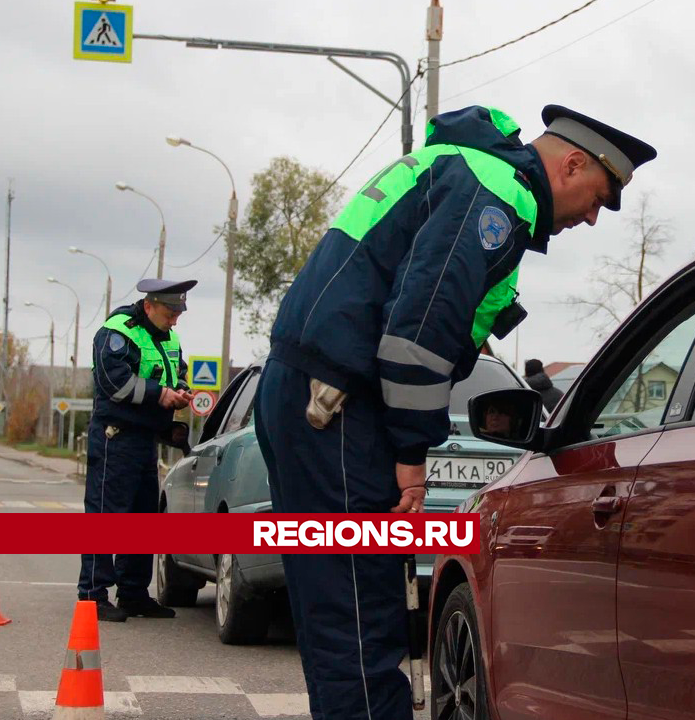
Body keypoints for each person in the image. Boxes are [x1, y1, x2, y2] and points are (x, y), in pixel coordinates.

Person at [255, 104, 656, 720]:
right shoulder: (493, 196)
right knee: (362, 618)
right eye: (599, 197)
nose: (593, 217)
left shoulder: (462, 169)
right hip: (338, 408)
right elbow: (418, 337)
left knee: (336, 613)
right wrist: (412, 456)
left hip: (311, 394)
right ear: (571, 164)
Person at [78, 278, 196, 622]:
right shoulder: (118, 332)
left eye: (178, 313)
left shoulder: (167, 335)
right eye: (170, 312)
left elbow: (178, 369)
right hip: (116, 436)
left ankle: (132, 593)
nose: (175, 320)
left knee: (143, 517)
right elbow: (113, 382)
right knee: (106, 515)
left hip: (146, 438)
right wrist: (160, 395)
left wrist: (182, 389)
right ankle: (93, 595)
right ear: (149, 306)